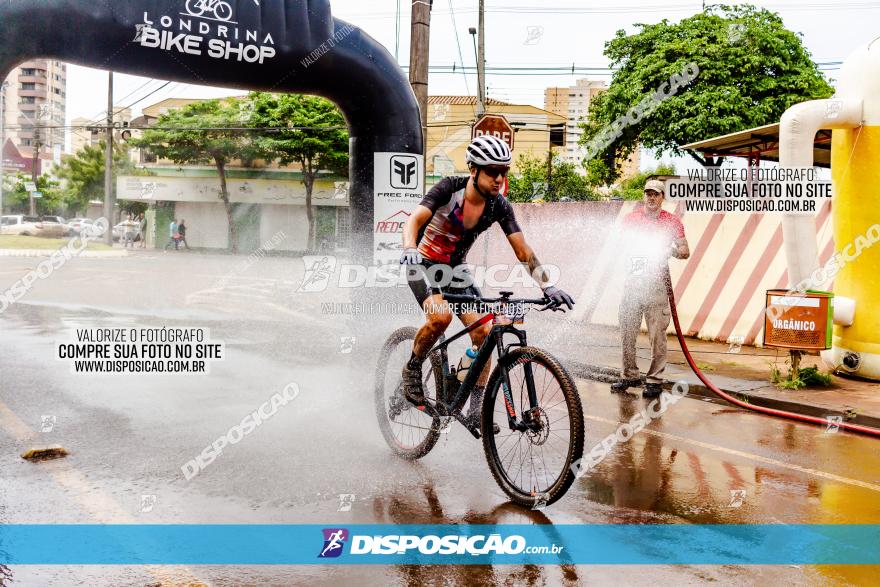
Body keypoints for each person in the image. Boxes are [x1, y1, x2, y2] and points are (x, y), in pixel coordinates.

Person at [399, 135, 575, 425]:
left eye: (504, 172)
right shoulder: (449, 188)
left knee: (484, 333)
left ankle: (474, 409)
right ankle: (412, 368)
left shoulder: (499, 206)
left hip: (455, 269)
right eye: (492, 171)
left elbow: (523, 250)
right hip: (423, 262)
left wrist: (548, 285)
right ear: (474, 170)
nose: (499, 179)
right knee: (440, 319)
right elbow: (414, 220)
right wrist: (408, 247)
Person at [610, 180, 690, 398]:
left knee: (657, 335)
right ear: (643, 196)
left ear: (662, 197)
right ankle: (629, 375)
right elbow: (617, 245)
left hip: (656, 285)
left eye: (656, 194)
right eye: (648, 194)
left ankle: (654, 380)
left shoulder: (672, 222)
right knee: (627, 331)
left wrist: (670, 249)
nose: (651, 198)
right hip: (633, 283)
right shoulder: (631, 219)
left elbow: (685, 250)